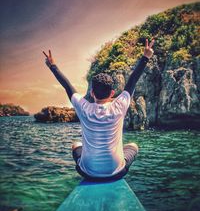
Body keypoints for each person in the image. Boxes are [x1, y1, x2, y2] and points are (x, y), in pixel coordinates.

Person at [43, 38, 154, 181]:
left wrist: (52, 66)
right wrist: (146, 56)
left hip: (87, 172)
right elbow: (132, 81)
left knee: (76, 144)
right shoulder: (119, 106)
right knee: (133, 145)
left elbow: (67, 86)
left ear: (92, 93)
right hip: (117, 173)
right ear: (112, 94)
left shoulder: (83, 107)